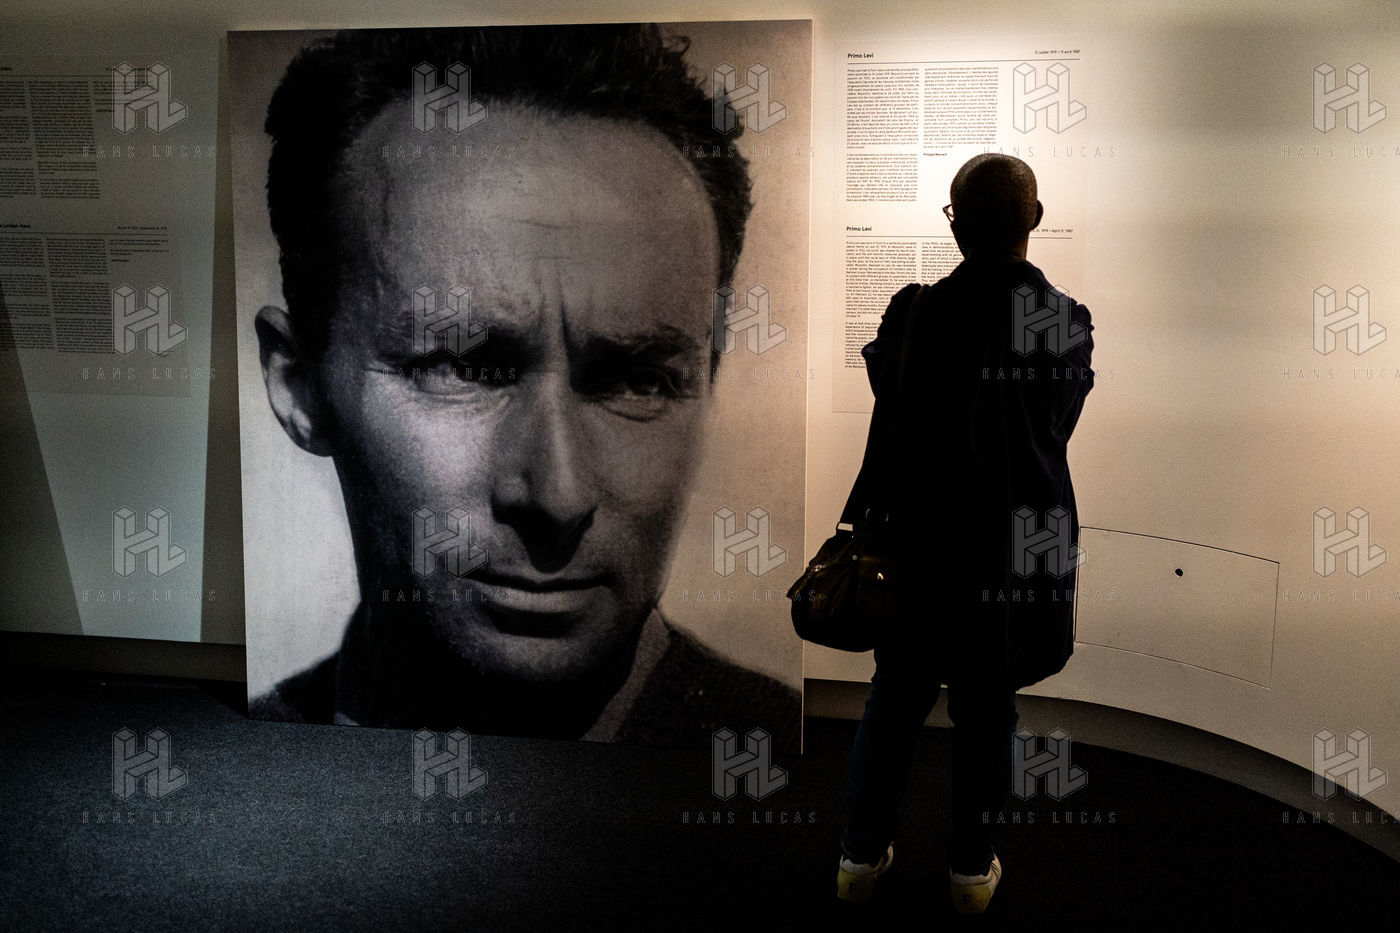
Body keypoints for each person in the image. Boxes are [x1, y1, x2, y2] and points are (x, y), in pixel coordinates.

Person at [246, 24, 800, 750]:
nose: (557, 495)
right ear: (299, 387)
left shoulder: (785, 759)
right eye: (463, 369)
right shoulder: (254, 757)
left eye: (640, 381)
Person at [834, 153, 1094, 913]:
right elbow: (1056, 426)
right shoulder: (1061, 319)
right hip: (1011, 552)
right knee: (988, 711)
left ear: (955, 225)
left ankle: (857, 862)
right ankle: (970, 877)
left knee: (894, 700)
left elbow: (892, 394)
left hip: (919, 544)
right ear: (1033, 219)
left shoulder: (913, 311)